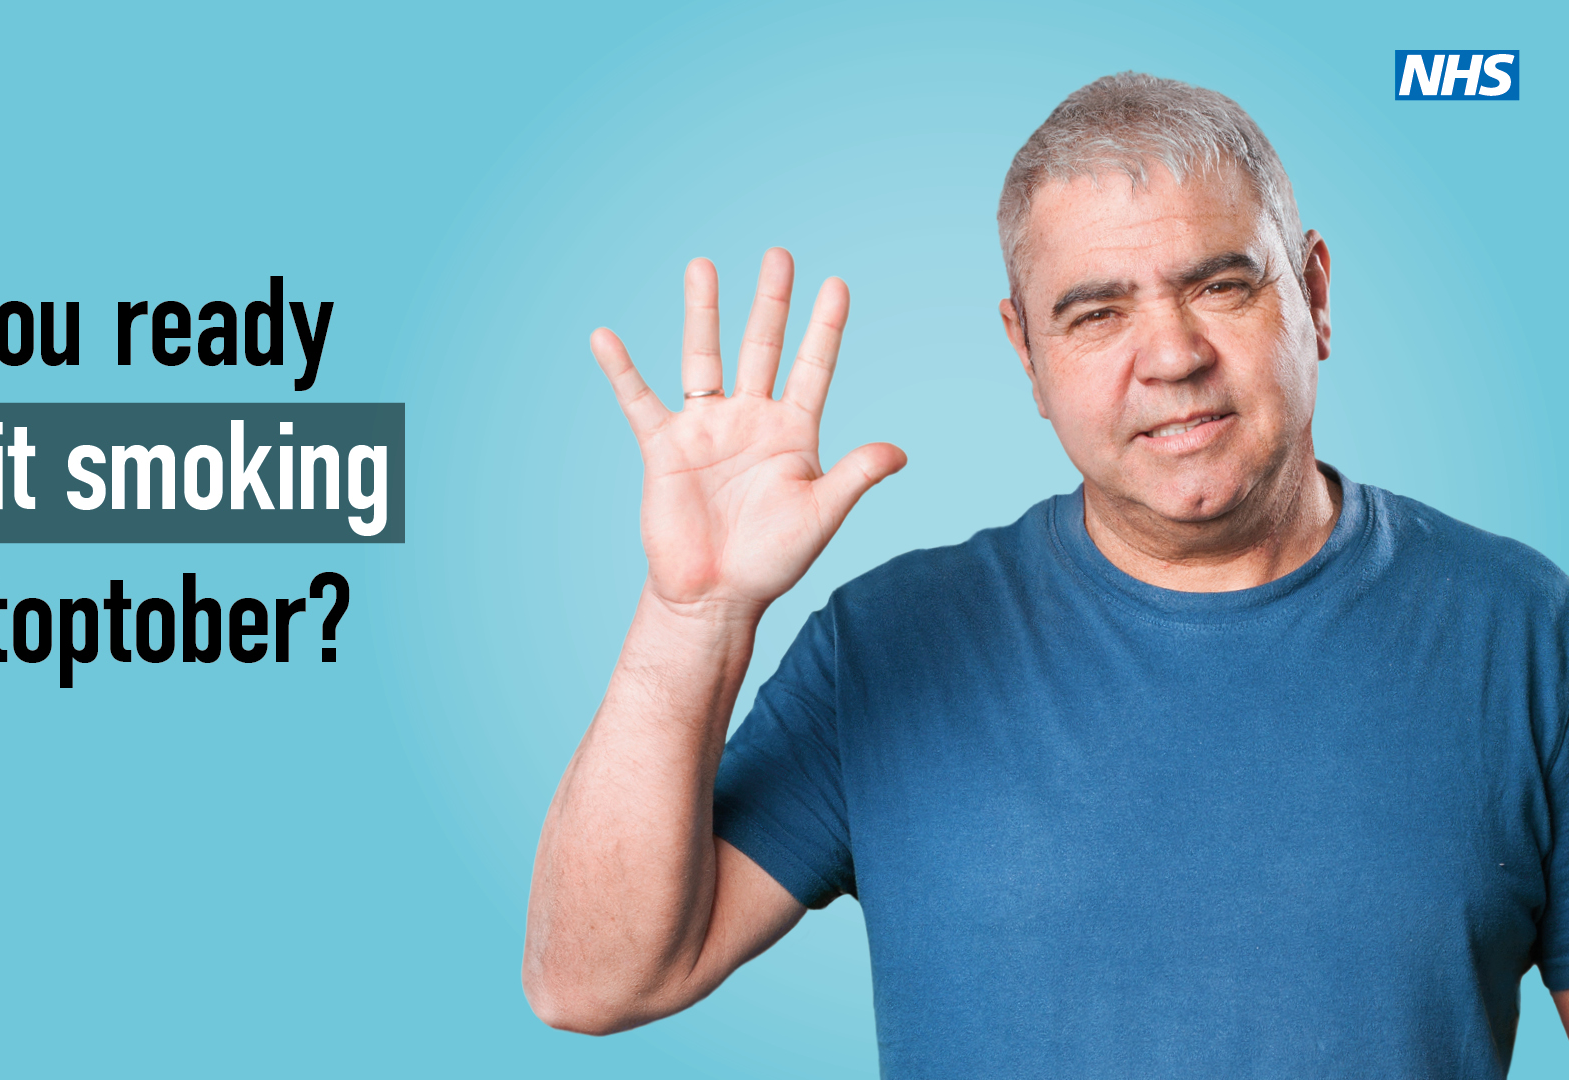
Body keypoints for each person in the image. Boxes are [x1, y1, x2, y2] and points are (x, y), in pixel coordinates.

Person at [522, 72, 1569, 1076]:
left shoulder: (1523, 631)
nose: (1171, 355)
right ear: (1026, 354)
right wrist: (693, 612)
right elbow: (591, 982)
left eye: (1220, 284)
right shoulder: (885, 644)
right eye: (1097, 312)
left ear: (1315, 295)